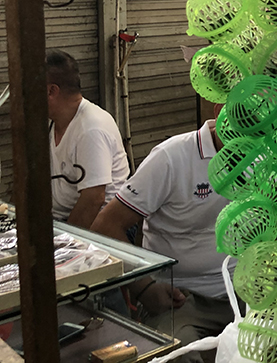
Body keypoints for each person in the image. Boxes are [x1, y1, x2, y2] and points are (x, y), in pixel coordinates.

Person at [91, 118, 234, 363]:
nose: (256, 127)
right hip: (181, 297)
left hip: (245, 291)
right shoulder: (171, 157)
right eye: (246, 116)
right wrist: (144, 288)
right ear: (220, 111)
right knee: (179, 355)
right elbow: (105, 226)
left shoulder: (264, 154)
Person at [47, 49, 129, 228]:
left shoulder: (91, 128)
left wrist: (65, 240)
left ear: (51, 91)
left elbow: (94, 199)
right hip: (60, 219)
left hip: (101, 224)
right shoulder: (52, 123)